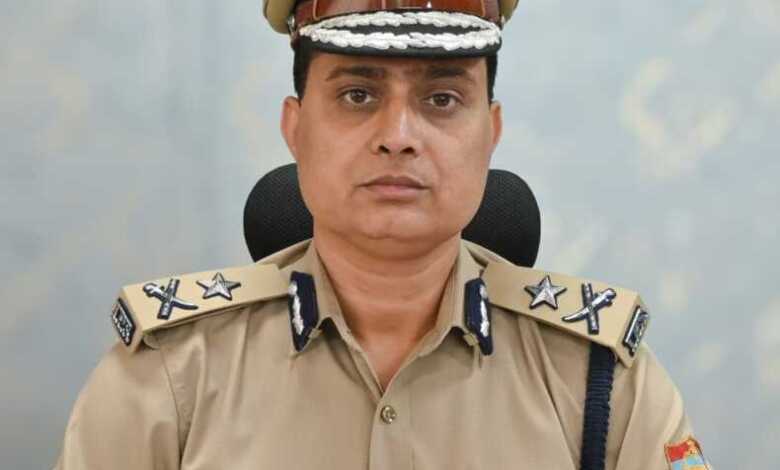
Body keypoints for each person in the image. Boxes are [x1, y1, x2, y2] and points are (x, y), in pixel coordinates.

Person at [54, 0, 711, 469]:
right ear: (294, 129)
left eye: (442, 99)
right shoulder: (169, 373)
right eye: (358, 95)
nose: (398, 136)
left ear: (491, 134)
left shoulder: (602, 380)